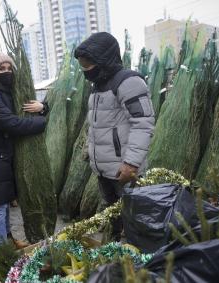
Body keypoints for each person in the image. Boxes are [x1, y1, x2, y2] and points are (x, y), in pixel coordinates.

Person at [74, 32, 155, 240]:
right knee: (115, 219)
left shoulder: (128, 82)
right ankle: (116, 259)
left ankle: (141, 263)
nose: (85, 69)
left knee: (135, 220)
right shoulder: (97, 86)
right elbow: (97, 125)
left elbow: (143, 123)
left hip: (124, 170)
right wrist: (89, 152)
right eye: (82, 64)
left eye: (88, 63)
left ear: (104, 59)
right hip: (104, 171)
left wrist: (131, 163)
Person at [0, 51, 48, 248]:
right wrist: (42, 122)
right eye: (1, 68)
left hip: (1, 156)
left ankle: (8, 240)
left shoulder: (4, 92)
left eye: (9, 68)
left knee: (4, 203)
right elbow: (12, 124)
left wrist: (43, 107)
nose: (6, 72)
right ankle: (3, 250)